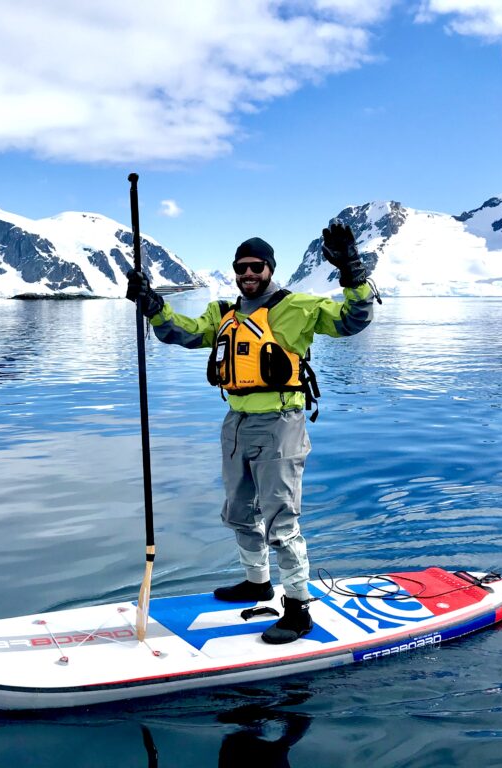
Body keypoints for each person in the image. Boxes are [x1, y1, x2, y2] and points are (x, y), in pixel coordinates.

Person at [125, 223, 377, 644]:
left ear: (269, 268)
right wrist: (152, 305)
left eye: (256, 266)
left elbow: (355, 320)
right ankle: (257, 582)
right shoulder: (223, 314)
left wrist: (351, 269)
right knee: (240, 510)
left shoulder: (299, 307)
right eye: (241, 267)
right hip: (236, 423)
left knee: (281, 519)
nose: (248, 274)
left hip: (280, 424)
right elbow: (179, 331)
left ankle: (297, 609)